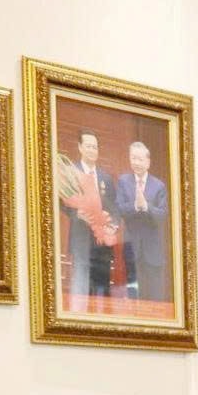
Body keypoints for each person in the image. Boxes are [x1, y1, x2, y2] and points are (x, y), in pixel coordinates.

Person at [63, 129, 117, 306]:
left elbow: (114, 208)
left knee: (101, 287)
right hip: (81, 237)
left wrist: (113, 225)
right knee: (80, 280)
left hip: (102, 240)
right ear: (80, 147)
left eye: (95, 147)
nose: (92, 150)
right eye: (88, 146)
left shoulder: (105, 178)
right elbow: (61, 201)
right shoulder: (71, 173)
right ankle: (77, 316)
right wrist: (76, 213)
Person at [115, 141, 171, 306]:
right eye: (133, 158)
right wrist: (135, 205)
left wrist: (146, 207)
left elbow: (162, 215)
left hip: (153, 251)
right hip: (132, 248)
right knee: (134, 298)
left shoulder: (159, 186)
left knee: (154, 299)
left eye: (140, 159)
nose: (136, 163)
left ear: (148, 162)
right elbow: (119, 208)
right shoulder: (123, 181)